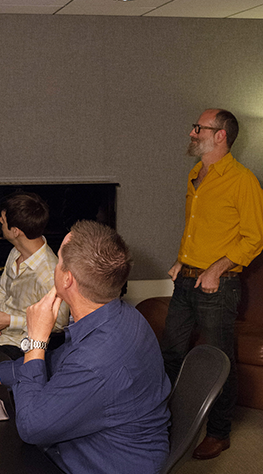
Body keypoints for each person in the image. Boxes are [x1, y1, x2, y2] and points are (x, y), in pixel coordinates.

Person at [0, 220, 171, 474]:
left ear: (66, 279)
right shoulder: (116, 315)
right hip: (91, 443)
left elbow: (31, 428)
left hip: (101, 463)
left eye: (59, 259)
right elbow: (54, 364)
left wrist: (36, 340)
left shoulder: (97, 359)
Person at [161, 108, 263, 460]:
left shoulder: (242, 180)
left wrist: (217, 269)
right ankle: (167, 423)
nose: (192, 133)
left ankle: (219, 433)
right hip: (186, 282)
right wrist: (181, 259)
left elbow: (254, 239)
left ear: (220, 135)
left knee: (220, 361)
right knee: (172, 354)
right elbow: (198, 231)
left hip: (218, 288)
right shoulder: (195, 173)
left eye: (199, 128)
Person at [0, 191, 69, 360]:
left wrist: (9, 321)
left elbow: (60, 322)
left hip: (19, 348)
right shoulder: (16, 251)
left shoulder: (49, 272)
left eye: (2, 221)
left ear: (16, 231)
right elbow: (2, 288)